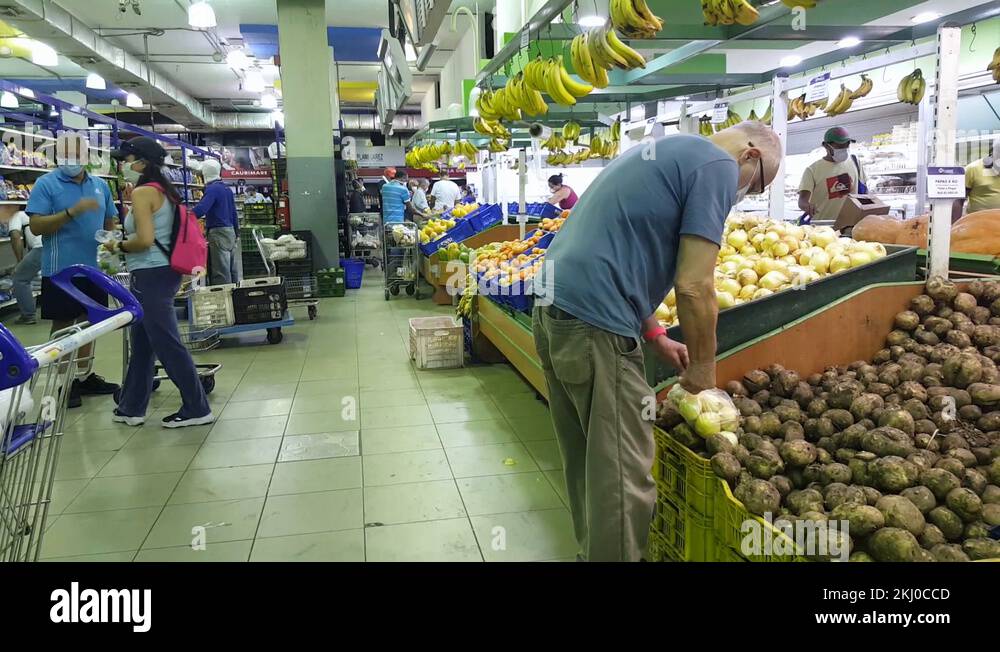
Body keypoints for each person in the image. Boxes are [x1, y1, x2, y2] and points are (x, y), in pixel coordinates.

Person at [532, 121, 781, 562]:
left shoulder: (669, 152)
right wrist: (704, 369)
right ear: (751, 156)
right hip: (596, 324)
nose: (745, 195)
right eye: (755, 188)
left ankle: (594, 553)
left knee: (587, 461)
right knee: (623, 476)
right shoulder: (718, 166)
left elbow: (620, 247)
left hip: (555, 310)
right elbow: (694, 284)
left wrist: (653, 332)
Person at [105, 137, 214, 428]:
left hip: (151, 274)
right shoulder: (165, 190)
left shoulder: (143, 193)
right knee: (142, 342)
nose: (123, 166)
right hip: (162, 272)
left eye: (126, 160)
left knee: (166, 343)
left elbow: (144, 240)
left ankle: (196, 407)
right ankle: (131, 407)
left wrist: (116, 246)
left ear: (141, 162)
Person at [27, 131, 120, 408]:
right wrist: (70, 213)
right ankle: (63, 383)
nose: (71, 159)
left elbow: (109, 221)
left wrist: (111, 248)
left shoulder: (100, 185)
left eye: (77, 153)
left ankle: (84, 375)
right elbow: (36, 226)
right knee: (64, 326)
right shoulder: (46, 184)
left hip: (94, 270)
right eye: (65, 154)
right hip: (61, 270)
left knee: (90, 323)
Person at [798, 127, 868, 222]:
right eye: (839, 146)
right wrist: (807, 206)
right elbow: (802, 201)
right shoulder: (812, 170)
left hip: (849, 226)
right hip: (822, 227)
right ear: (826, 146)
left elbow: (865, 193)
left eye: (846, 145)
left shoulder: (855, 163)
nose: (844, 149)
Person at [193, 158, 239, 285]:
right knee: (232, 269)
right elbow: (233, 213)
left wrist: (185, 216)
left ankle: (224, 300)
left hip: (218, 232)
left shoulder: (212, 189)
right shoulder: (226, 189)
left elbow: (202, 209)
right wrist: (236, 232)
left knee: (221, 271)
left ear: (205, 173)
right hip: (230, 231)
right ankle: (236, 295)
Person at [2, 202, 41, 324]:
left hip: (41, 248)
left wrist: (20, 262)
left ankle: (28, 315)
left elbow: (15, 236)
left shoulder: (17, 215)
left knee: (20, 278)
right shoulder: (39, 213)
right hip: (56, 247)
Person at [953, 136, 1000, 221]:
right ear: (992, 153)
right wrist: (954, 226)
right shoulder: (973, 169)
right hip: (977, 224)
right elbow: (958, 200)